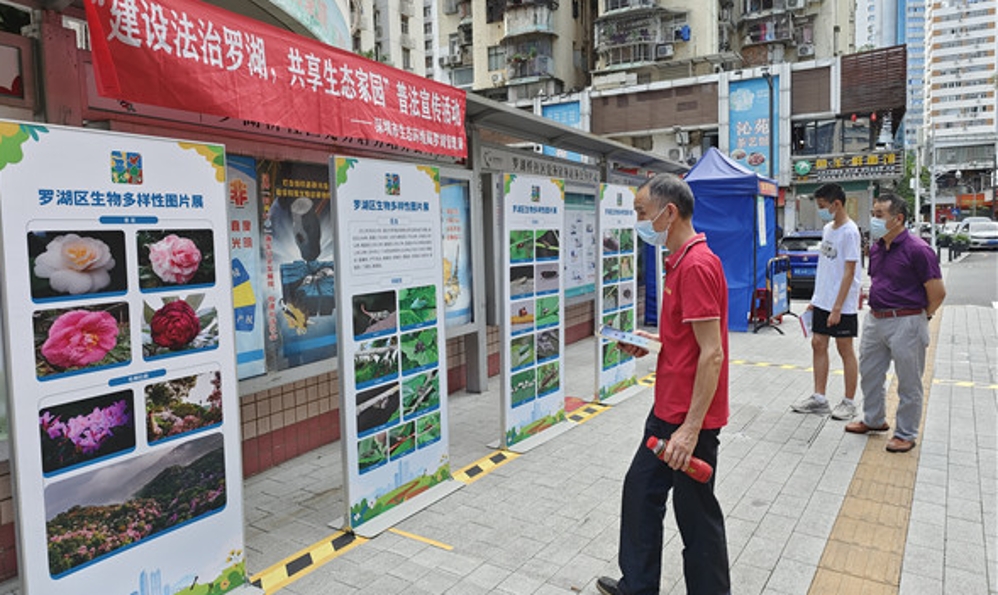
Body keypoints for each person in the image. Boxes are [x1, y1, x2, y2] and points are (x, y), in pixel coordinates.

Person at [597, 174, 730, 595]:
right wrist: (652, 343)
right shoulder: (681, 261)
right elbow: (689, 341)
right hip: (669, 409)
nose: (639, 221)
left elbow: (712, 353)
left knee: (696, 515)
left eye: (642, 212)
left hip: (688, 419)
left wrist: (690, 430)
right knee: (641, 494)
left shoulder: (696, 266)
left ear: (668, 212)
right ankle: (637, 586)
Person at [845, 192, 945, 453]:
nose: (874, 220)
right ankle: (874, 419)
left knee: (909, 381)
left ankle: (905, 433)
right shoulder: (877, 248)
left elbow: (937, 293)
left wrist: (921, 317)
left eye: (879, 215)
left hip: (907, 321)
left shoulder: (918, 250)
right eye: (873, 214)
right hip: (876, 319)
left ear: (898, 218)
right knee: (870, 373)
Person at [791, 183, 862, 420]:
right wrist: (816, 299)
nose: (820, 210)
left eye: (823, 206)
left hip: (842, 304)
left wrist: (837, 307)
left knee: (844, 348)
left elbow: (849, 272)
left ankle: (849, 402)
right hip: (823, 300)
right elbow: (825, 267)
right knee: (818, 343)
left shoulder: (850, 232)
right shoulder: (828, 229)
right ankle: (819, 398)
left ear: (836, 204)